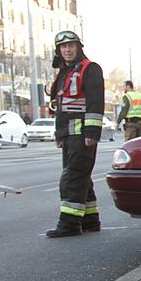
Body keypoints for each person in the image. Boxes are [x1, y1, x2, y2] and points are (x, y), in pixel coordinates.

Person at [45, 30, 104, 238]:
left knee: (72, 178)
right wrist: (59, 134)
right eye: (63, 47)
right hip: (69, 136)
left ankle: (69, 224)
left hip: (82, 136)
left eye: (71, 46)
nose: (67, 50)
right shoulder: (65, 72)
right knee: (82, 178)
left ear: (79, 47)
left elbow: (95, 103)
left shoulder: (91, 69)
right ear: (58, 51)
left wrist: (91, 132)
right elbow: (61, 107)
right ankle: (90, 220)